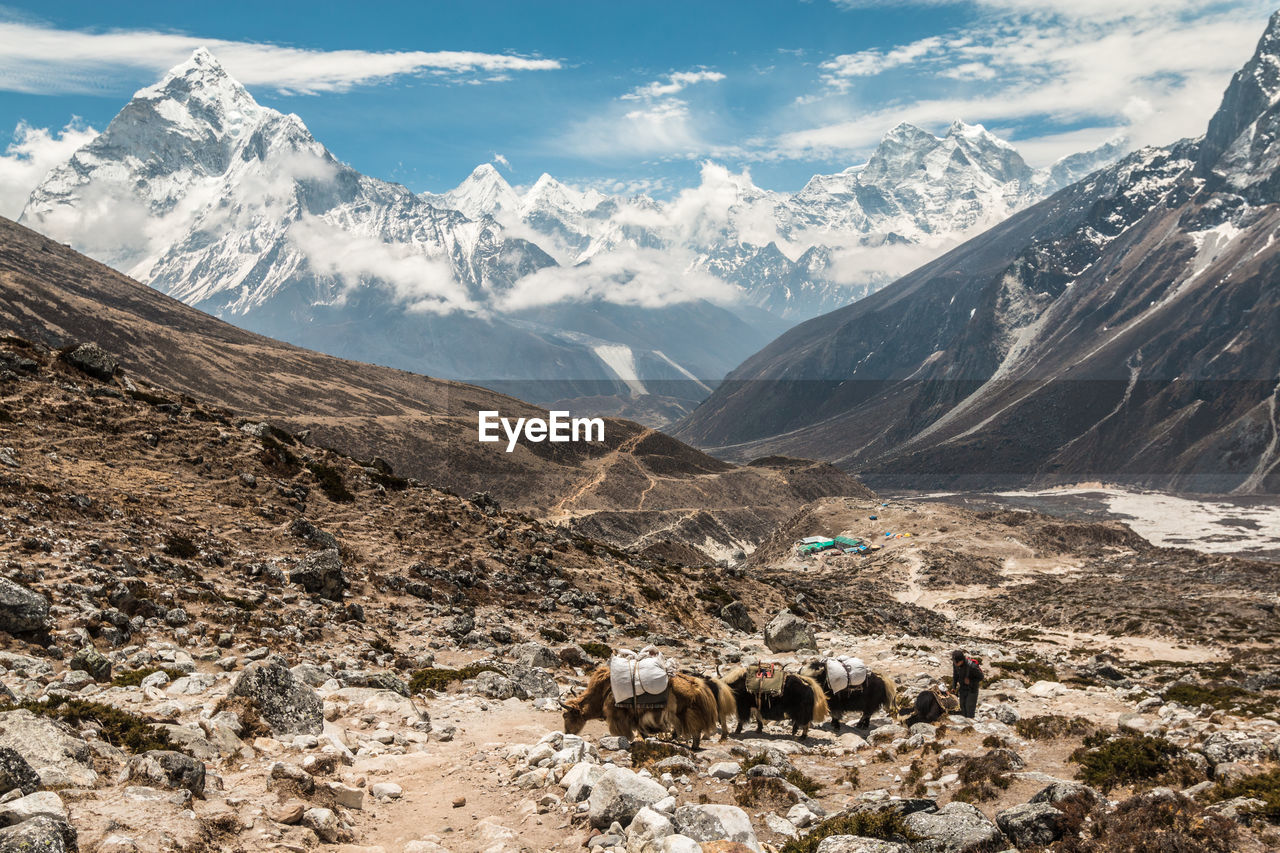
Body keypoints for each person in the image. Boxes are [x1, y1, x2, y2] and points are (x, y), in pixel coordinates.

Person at [951, 650, 982, 718]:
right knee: (962, 707)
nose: (954, 663)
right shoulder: (955, 664)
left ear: (961, 660)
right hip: (962, 688)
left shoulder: (972, 666)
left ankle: (970, 725)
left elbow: (981, 677)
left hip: (972, 689)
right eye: (954, 661)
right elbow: (955, 675)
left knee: (969, 709)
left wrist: (970, 681)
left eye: (956, 662)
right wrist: (954, 687)